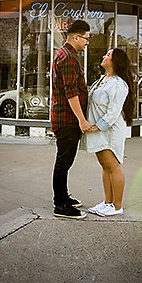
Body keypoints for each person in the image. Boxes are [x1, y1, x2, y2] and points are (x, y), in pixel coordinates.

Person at [81, 48, 136, 217]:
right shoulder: (102, 80)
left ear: (116, 61)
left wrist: (98, 126)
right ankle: (108, 202)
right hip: (98, 130)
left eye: (108, 55)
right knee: (105, 167)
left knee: (113, 166)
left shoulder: (119, 84)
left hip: (110, 131)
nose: (104, 57)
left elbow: (113, 111)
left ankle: (117, 206)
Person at [51, 20, 93, 220]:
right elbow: (71, 92)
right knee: (64, 161)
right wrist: (82, 120)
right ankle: (60, 205)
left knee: (65, 161)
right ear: (76, 37)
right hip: (67, 120)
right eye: (86, 38)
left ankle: (63, 197)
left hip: (65, 118)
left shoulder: (66, 54)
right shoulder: (68, 58)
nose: (87, 43)